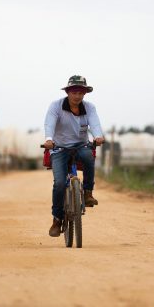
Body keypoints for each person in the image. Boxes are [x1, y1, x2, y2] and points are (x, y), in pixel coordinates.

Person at [44, 75, 105, 237]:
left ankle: (87, 193)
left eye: (81, 92)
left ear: (85, 94)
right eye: (74, 92)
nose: (77, 96)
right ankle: (57, 219)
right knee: (58, 184)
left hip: (80, 145)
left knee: (89, 158)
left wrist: (98, 136)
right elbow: (49, 123)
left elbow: (95, 123)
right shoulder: (56, 106)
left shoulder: (89, 108)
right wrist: (49, 139)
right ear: (68, 92)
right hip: (59, 147)